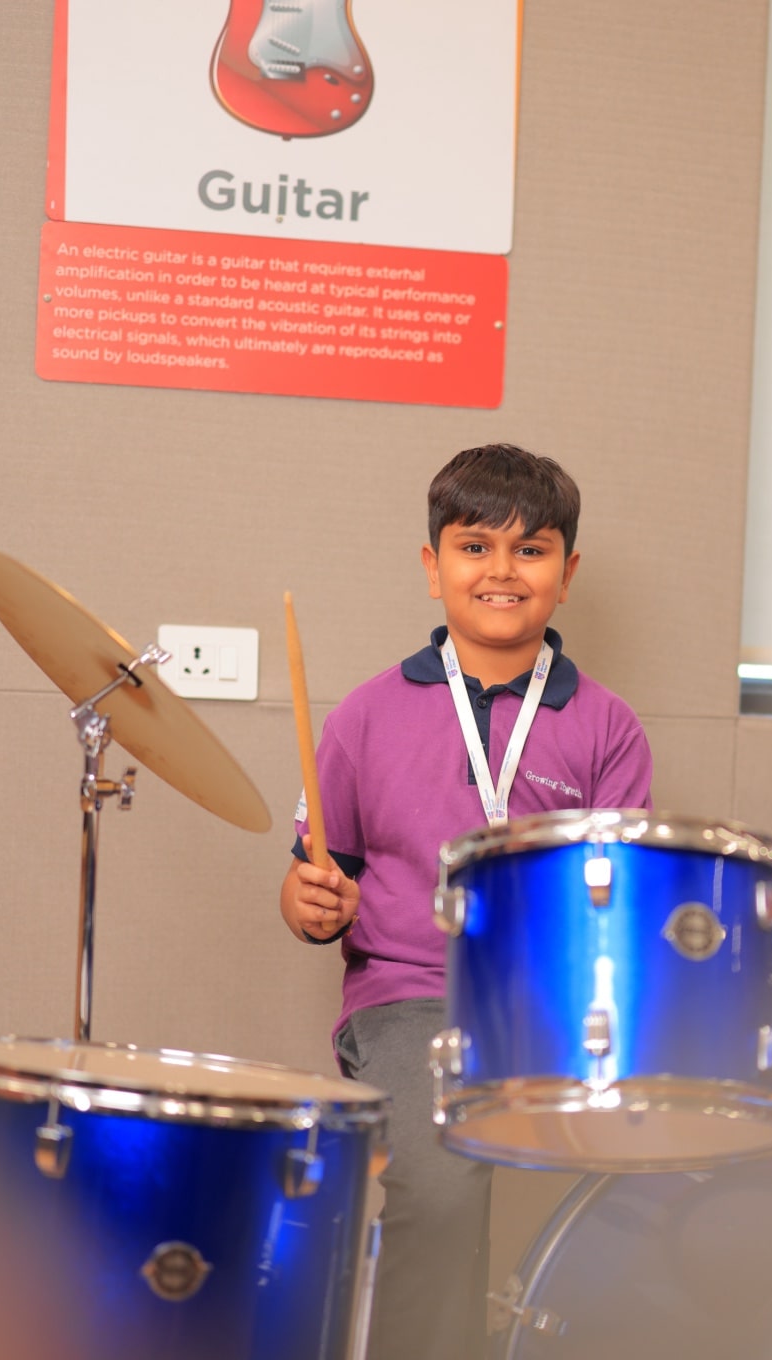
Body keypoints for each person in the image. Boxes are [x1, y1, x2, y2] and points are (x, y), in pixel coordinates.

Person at [279, 443, 654, 1360]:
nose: (500, 570)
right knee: (442, 1190)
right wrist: (311, 903)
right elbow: (310, 887)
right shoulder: (365, 715)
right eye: (473, 545)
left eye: (531, 551)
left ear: (567, 576)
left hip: (552, 997)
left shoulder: (607, 725)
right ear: (431, 566)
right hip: (411, 994)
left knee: (672, 1168)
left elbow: (622, 897)